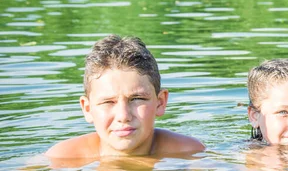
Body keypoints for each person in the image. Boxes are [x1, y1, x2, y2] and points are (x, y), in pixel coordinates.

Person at [45, 35, 205, 160]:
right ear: (87, 109)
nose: (123, 116)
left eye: (137, 99)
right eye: (108, 102)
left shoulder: (189, 153)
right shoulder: (62, 157)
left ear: (160, 102)